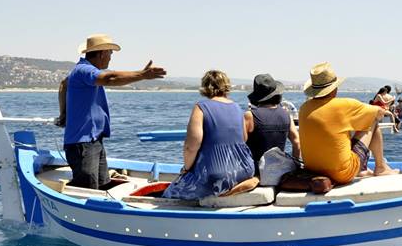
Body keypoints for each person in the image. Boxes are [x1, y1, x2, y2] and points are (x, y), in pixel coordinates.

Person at [63, 34, 166, 189]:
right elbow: (110, 78)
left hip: (93, 141)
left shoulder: (83, 71)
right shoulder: (84, 70)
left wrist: (63, 113)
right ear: (102, 53)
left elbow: (63, 84)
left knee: (103, 186)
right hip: (82, 144)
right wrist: (142, 75)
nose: (111, 57)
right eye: (110, 53)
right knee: (88, 190)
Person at [163, 70, 257, 200]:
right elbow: (244, 138)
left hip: (216, 176)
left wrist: (186, 169)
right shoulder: (236, 107)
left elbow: (191, 146)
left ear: (206, 87)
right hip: (245, 170)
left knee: (169, 193)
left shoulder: (201, 107)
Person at [298, 62, 397, 184]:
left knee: (342, 130)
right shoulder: (343, 105)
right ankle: (381, 167)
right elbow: (378, 112)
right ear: (334, 88)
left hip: (312, 171)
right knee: (372, 119)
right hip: (342, 174)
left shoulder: (304, 108)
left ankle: (362, 170)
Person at [244, 73, 301, 169]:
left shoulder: (250, 115)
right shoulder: (286, 115)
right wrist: (295, 165)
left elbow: (239, 145)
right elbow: (297, 142)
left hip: (257, 169)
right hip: (280, 169)